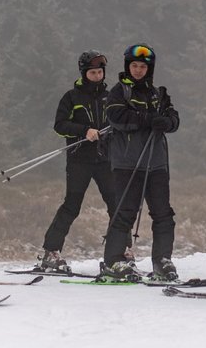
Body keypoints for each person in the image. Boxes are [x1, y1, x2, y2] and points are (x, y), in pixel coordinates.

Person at [102, 44, 180, 282]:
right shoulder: (119, 91)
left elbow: (174, 119)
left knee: (163, 213)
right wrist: (147, 119)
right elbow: (116, 116)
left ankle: (162, 260)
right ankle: (114, 260)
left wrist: (167, 123)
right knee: (125, 212)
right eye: (134, 66)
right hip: (127, 162)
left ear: (149, 68)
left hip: (156, 163)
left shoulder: (158, 94)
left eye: (142, 66)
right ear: (128, 67)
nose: (138, 70)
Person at [38, 50, 117, 273]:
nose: (97, 76)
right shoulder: (71, 97)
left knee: (117, 205)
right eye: (93, 72)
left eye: (100, 72)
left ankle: (120, 252)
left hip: (106, 159)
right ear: (84, 73)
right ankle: (51, 252)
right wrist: (84, 131)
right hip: (79, 159)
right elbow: (59, 126)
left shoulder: (110, 97)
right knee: (72, 206)